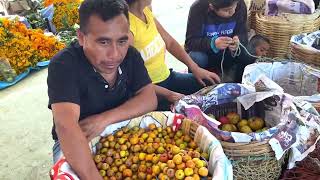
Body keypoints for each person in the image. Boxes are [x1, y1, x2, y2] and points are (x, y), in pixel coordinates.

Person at [47, 0, 157, 179]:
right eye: (104, 42)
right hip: (80, 137)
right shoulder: (64, 65)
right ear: (81, 37)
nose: (115, 54)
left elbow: (149, 98)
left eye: (122, 41)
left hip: (123, 128)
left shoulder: (130, 54)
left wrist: (104, 119)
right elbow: (66, 126)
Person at [126, 0, 220, 110]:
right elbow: (131, 80)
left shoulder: (146, 11)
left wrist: (195, 68)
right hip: (150, 91)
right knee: (178, 115)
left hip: (167, 77)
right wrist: (169, 94)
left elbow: (170, 42)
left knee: (210, 83)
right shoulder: (127, 27)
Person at [185, 0, 252, 83]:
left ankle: (239, 83)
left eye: (235, 6)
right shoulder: (198, 8)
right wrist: (212, 43)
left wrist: (238, 40)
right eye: (227, 10)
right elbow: (190, 42)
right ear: (212, 7)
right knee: (196, 57)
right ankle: (198, 85)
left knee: (248, 52)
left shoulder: (239, 4)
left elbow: (243, 34)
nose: (233, 12)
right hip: (207, 54)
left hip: (228, 53)